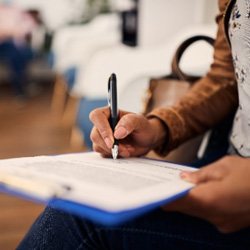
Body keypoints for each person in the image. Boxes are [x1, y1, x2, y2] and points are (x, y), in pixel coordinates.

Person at [17, 0, 250, 249]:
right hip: (225, 160)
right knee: (87, 201)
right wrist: (158, 126)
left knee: (78, 220)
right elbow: (226, 78)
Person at [0, 4, 37, 96]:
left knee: (18, 55)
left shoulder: (17, 12)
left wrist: (11, 32)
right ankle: (22, 86)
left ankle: (20, 88)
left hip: (13, 46)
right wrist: (10, 31)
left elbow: (30, 24)